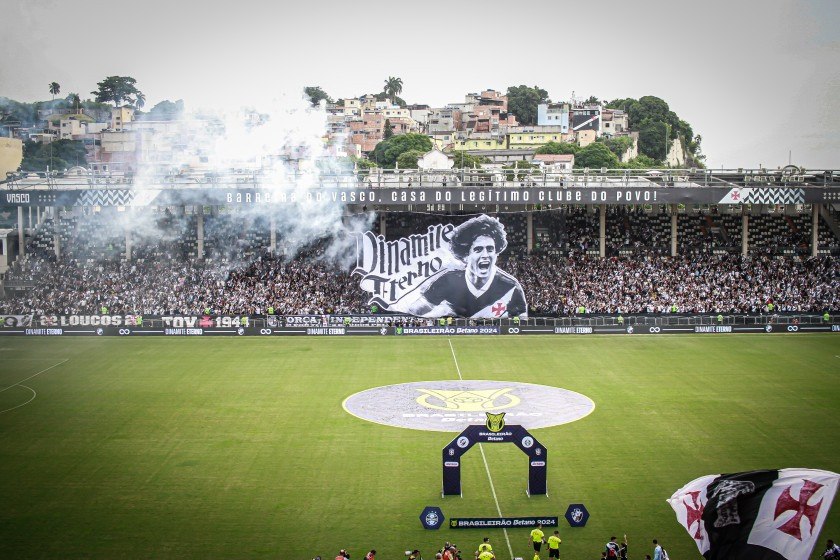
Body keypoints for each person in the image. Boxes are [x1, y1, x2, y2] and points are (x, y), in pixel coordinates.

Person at [408, 215, 527, 319]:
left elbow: (522, 319)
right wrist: (439, 312)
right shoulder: (448, 280)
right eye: (478, 249)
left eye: (490, 249)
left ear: (496, 254)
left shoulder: (511, 286)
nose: (485, 255)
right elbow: (415, 309)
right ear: (465, 256)